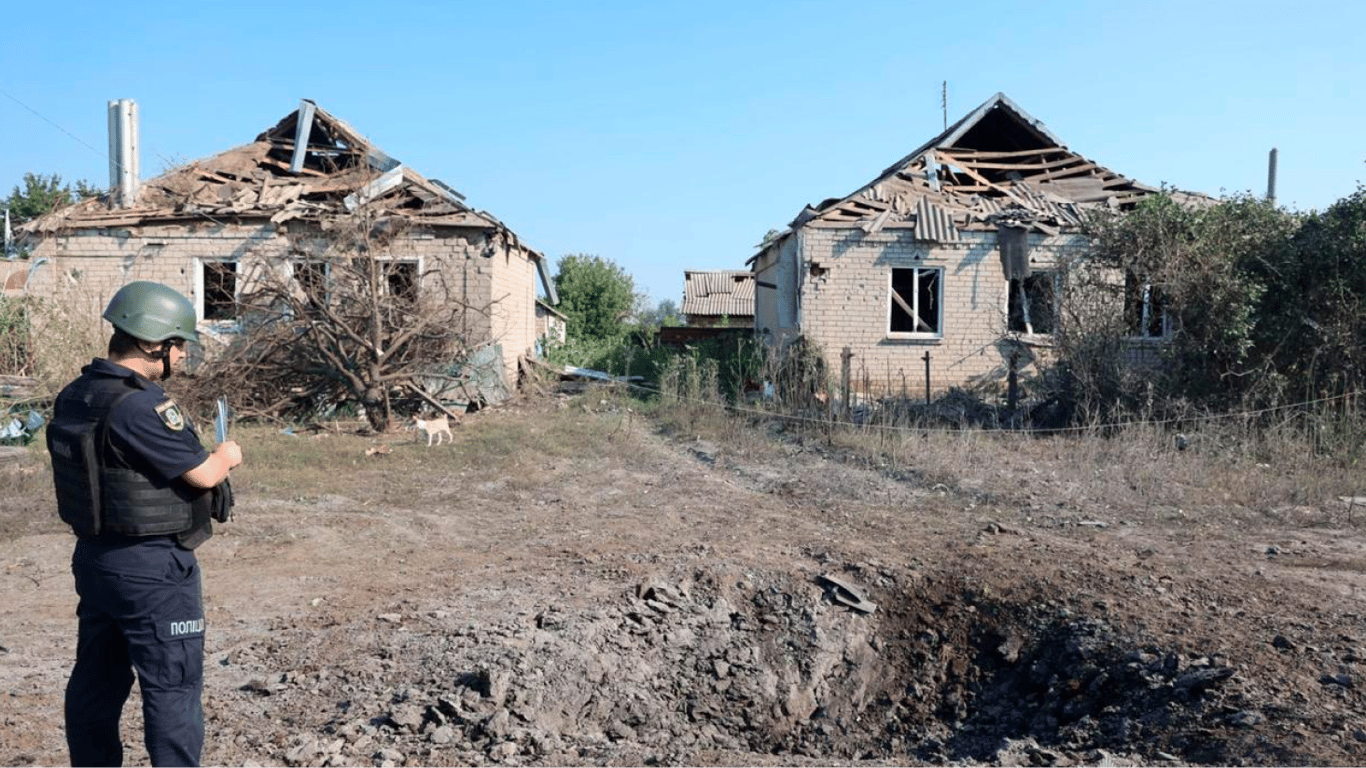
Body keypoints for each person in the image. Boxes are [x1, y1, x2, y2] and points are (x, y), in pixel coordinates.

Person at [47, 280, 243, 768]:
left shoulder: (77, 393)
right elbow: (201, 474)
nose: (183, 356)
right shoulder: (140, 405)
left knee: (97, 681)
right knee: (173, 687)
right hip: (153, 569)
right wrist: (226, 455)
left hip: (95, 559)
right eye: (180, 345)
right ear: (154, 343)